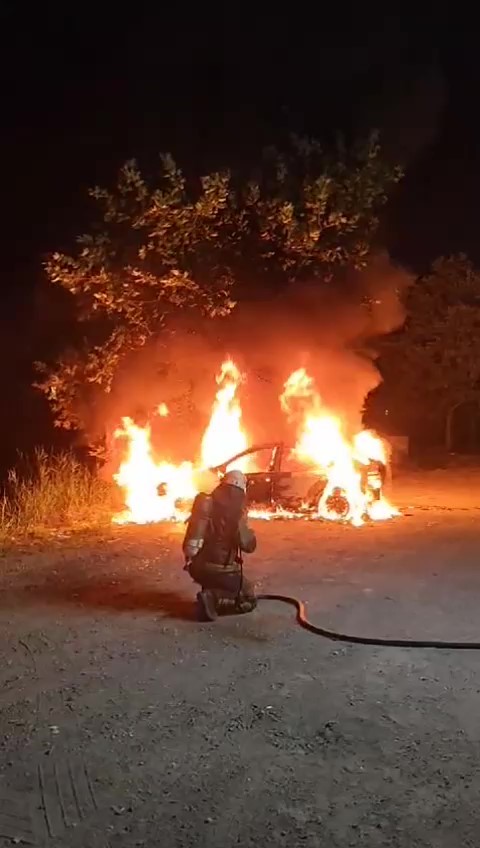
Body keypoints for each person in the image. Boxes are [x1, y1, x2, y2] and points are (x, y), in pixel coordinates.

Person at [184, 469, 257, 621]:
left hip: (196, 568)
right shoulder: (237, 510)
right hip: (220, 571)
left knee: (215, 575)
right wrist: (250, 532)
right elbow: (248, 546)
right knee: (248, 597)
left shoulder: (207, 502)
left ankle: (210, 590)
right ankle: (213, 598)